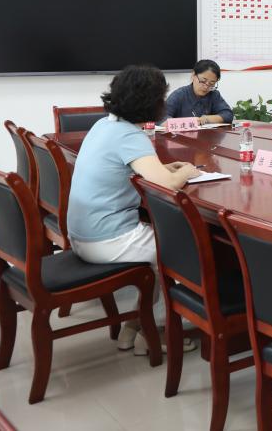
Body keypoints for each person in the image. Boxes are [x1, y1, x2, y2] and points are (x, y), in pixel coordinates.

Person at [68, 64, 201, 355]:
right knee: (181, 250)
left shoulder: (104, 126)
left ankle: (134, 328)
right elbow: (168, 185)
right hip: (106, 240)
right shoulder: (130, 136)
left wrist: (164, 167)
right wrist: (187, 171)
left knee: (159, 247)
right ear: (151, 102)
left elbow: (138, 169)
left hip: (81, 235)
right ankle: (159, 332)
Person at [164, 59, 233, 125]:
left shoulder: (214, 94)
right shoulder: (179, 95)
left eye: (211, 83)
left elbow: (228, 114)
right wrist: (188, 122)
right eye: (203, 81)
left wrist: (207, 119)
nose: (206, 87)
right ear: (193, 75)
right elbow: (162, 118)